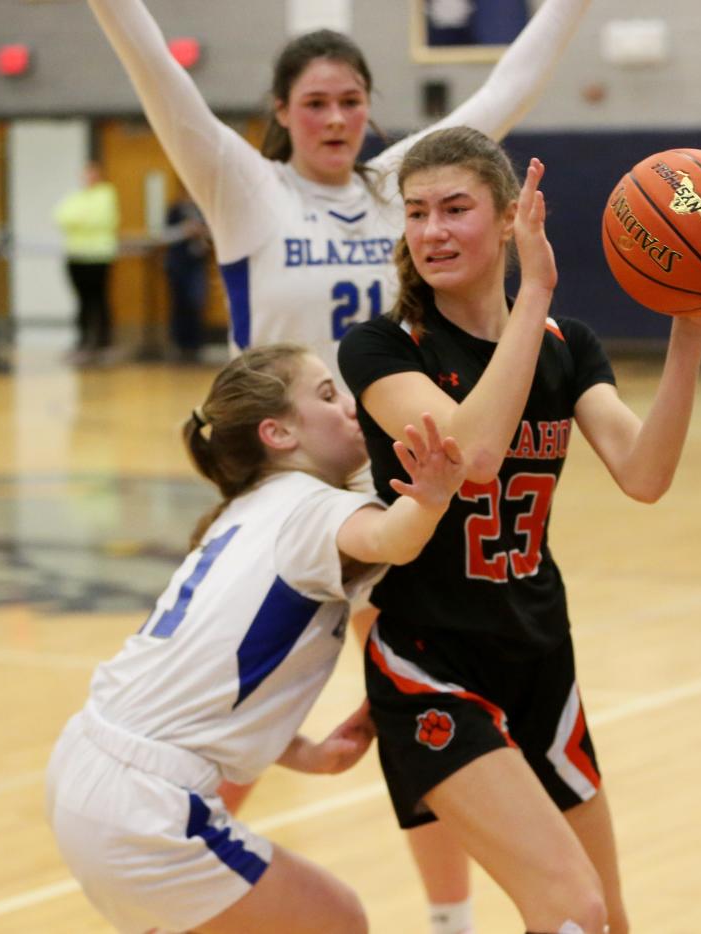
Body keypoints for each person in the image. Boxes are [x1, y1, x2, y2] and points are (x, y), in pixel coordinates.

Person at [86, 3, 593, 927]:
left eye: (351, 101)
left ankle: (451, 917)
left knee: (418, 707)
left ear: (370, 109)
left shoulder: (400, 180)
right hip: (292, 492)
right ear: (281, 112)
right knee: (244, 689)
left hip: (405, 482)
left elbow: (508, 86)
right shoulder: (243, 182)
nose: (333, 119)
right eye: (314, 102)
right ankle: (178, 871)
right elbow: (158, 71)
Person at [339, 126, 701, 934]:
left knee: (608, 920)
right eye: (416, 213)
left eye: (455, 208)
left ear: (510, 218)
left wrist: (690, 329)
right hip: (431, 665)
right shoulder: (381, 348)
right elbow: (473, 455)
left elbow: (644, 474)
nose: (433, 230)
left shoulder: (567, 348)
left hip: (541, 654)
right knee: (569, 908)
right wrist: (536, 293)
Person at [46, 343, 466, 934]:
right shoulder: (311, 509)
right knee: (337, 921)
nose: (349, 407)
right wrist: (432, 493)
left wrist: (304, 753)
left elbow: (207, 688)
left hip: (85, 764)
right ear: (277, 433)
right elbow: (393, 540)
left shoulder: (243, 509)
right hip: (145, 808)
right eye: (326, 395)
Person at [53, 160, 119, 364]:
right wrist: (81, 219)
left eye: (91, 173)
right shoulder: (77, 196)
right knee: (82, 301)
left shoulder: (106, 195)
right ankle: (83, 341)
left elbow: (99, 219)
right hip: (76, 255)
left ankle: (103, 341)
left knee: (98, 299)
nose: (87, 178)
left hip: (98, 256)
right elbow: (61, 217)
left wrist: (79, 219)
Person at [163, 183, 211, 362]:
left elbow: (211, 235)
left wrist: (202, 233)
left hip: (196, 263)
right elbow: (165, 234)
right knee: (179, 304)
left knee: (196, 303)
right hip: (178, 264)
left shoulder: (202, 210)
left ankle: (195, 344)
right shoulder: (175, 210)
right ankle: (179, 343)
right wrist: (184, 231)